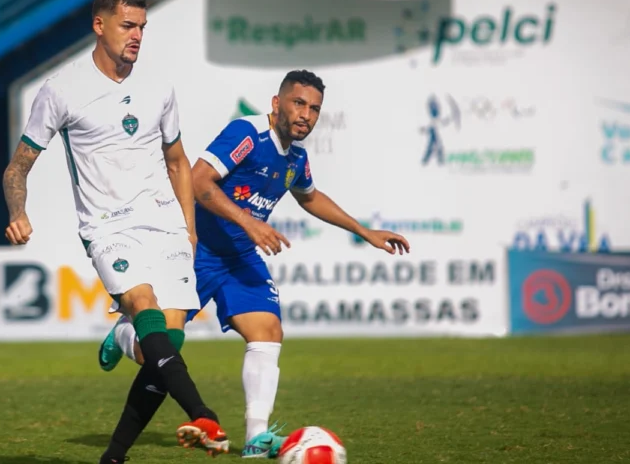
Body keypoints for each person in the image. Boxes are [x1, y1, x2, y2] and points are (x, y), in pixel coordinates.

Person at [98, 69, 411, 458]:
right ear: (277, 103)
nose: (306, 115)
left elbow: (309, 197)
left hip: (239, 258)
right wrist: (249, 222)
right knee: (156, 352)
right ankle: (125, 334)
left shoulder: (296, 157)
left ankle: (256, 437)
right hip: (195, 251)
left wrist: (364, 232)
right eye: (298, 103)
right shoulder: (247, 134)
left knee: (268, 330)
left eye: (314, 109)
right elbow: (198, 180)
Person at [2, 0, 229, 463]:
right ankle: (203, 414)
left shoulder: (158, 88)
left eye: (142, 27)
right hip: (108, 227)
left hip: (165, 222)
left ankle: (113, 452)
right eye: (128, 25)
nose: (137, 35)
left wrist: (188, 227)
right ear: (99, 25)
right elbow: (17, 167)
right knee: (144, 307)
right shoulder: (61, 89)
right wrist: (18, 212)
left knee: (164, 346)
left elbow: (177, 161)